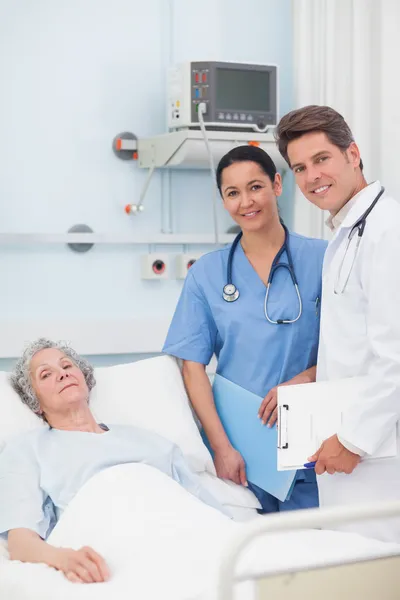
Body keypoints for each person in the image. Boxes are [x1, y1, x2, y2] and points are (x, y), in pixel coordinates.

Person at [163, 145, 327, 514]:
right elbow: (192, 368)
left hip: (313, 436)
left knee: (316, 553)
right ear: (223, 200)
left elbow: (353, 345)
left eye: (255, 187)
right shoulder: (207, 274)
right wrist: (221, 448)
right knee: (251, 558)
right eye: (232, 193)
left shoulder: (322, 259)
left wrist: (308, 378)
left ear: (277, 185)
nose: (245, 202)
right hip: (240, 448)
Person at [0, 338, 226, 584]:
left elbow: (208, 513)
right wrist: (63, 558)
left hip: (182, 535)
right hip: (112, 547)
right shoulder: (28, 449)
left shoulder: (152, 442)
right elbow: (21, 543)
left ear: (84, 378)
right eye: (46, 374)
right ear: (34, 401)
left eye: (67, 366)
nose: (62, 375)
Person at [275, 104, 400, 541]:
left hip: (379, 454)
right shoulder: (347, 233)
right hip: (356, 446)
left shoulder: (389, 230)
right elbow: (355, 344)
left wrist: (354, 440)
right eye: (299, 168)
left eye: (321, 159)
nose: (311, 177)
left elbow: (396, 357)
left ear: (353, 154)